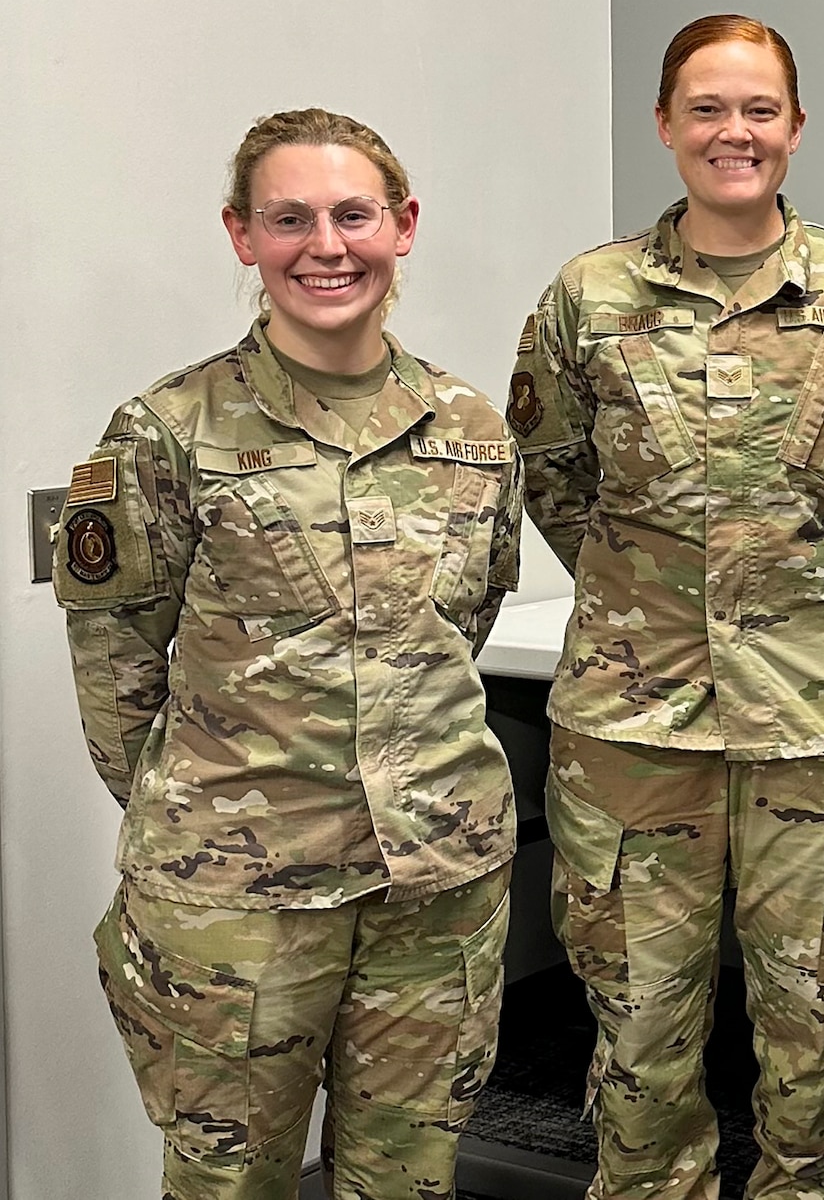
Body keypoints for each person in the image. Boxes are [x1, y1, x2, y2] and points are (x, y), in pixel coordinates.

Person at [510, 15, 824, 1200]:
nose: (731, 132)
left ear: (795, 130)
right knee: (639, 1045)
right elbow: (553, 476)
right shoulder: (587, 297)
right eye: (705, 108)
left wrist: (805, 599)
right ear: (663, 125)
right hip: (632, 733)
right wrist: (656, 601)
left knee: (811, 1041)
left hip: (820, 728)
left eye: (757, 109)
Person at [53, 108, 522, 1198]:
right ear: (241, 236)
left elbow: (466, 622)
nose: (327, 245)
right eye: (290, 218)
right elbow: (116, 671)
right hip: (238, 899)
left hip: (435, 882)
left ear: (402, 227)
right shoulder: (167, 431)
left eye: (354, 215)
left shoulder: (469, 426)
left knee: (408, 1179)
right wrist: (217, 819)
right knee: (232, 1183)